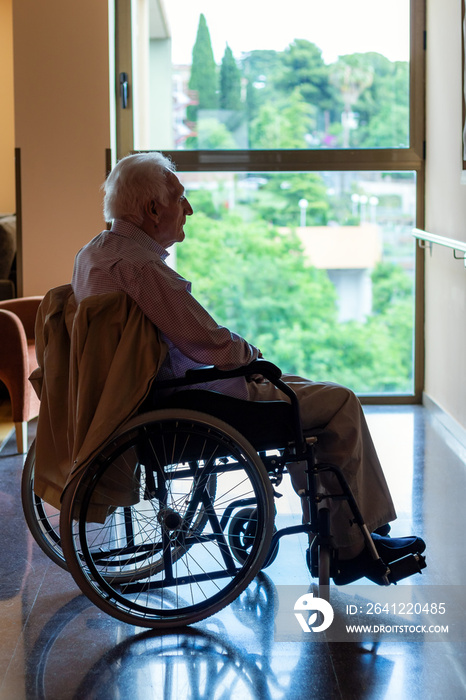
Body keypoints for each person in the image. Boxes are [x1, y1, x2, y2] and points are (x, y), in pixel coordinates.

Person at [71, 152, 426, 584]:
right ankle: (352, 545)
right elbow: (207, 343)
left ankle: (351, 531)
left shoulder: (96, 252)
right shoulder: (142, 267)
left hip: (147, 396)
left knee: (305, 392)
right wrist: (250, 354)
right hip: (192, 400)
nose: (189, 209)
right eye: (180, 199)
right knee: (338, 403)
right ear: (151, 209)